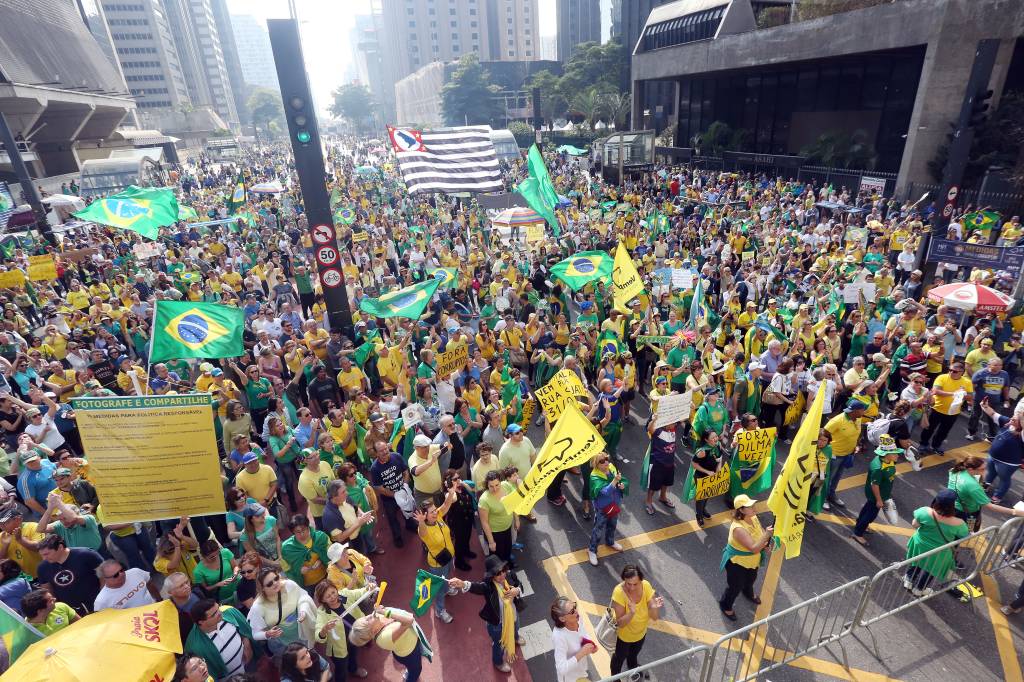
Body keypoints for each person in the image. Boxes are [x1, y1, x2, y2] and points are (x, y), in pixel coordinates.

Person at [449, 555, 526, 674]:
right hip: (497, 623)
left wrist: (517, 590)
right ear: (492, 576)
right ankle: (498, 662)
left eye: (503, 570)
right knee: (499, 645)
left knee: (516, 627)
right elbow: (476, 587)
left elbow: (520, 585)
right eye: (498, 573)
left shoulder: (510, 576)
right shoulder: (488, 587)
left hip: (513, 615)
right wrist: (463, 584)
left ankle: (515, 637)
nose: (502, 575)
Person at [903, 490, 969, 597]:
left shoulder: (924, 511)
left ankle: (909, 580)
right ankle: (920, 589)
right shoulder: (959, 523)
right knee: (931, 570)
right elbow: (964, 536)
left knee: (917, 562)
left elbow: (914, 524)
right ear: (952, 506)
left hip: (920, 545)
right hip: (939, 552)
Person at [719, 494, 773, 622]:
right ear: (741, 510)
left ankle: (748, 592)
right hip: (737, 562)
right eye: (750, 506)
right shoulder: (738, 528)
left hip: (751, 561)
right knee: (735, 586)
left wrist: (765, 544)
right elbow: (754, 548)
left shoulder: (753, 517)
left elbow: (758, 536)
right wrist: (766, 535)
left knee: (751, 579)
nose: (754, 507)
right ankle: (725, 605)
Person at [246, 566, 317, 656]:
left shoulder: (289, 585)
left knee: (310, 658)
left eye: (276, 578)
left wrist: (303, 610)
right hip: (281, 644)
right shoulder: (258, 607)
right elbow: (255, 634)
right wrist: (267, 634)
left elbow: (303, 596)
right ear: (262, 588)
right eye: (269, 584)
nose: (275, 583)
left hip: (301, 633)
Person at [609, 564, 663, 678]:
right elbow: (620, 623)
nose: (632, 587)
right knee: (618, 659)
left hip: (641, 633)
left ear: (641, 580)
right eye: (628, 583)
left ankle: (633, 669)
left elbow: (655, 617)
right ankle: (614, 678)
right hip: (624, 637)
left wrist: (654, 607)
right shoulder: (619, 593)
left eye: (635, 584)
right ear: (624, 580)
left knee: (633, 655)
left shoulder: (646, 586)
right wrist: (631, 613)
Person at [348, 605, 429, 682]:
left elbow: (391, 613)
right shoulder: (384, 638)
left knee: (412, 668)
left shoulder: (377, 621)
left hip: (408, 647)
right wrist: (385, 612)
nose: (369, 616)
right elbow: (409, 620)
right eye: (367, 621)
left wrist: (383, 609)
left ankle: (409, 670)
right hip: (409, 654)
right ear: (372, 631)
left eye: (365, 617)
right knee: (416, 670)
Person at [413, 489, 459, 624]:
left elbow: (445, 505)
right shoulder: (424, 529)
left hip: (449, 556)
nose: (435, 512)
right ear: (424, 515)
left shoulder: (437, 516)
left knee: (448, 575)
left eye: (434, 510)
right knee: (438, 588)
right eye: (432, 512)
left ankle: (447, 588)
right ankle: (440, 611)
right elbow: (421, 532)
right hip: (437, 564)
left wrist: (451, 493)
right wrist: (421, 522)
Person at [313, 579, 372, 681]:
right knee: (341, 667)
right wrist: (324, 630)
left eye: (333, 592)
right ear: (322, 600)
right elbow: (318, 636)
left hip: (354, 636)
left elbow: (359, 593)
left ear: (337, 590)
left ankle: (353, 670)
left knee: (353, 654)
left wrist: (368, 588)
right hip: (338, 646)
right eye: (328, 596)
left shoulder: (344, 595)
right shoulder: (322, 613)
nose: (332, 597)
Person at [184, 598, 257, 680]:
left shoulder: (228, 612)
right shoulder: (194, 645)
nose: (220, 612)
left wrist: (247, 644)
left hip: (249, 667)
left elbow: (244, 629)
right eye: (214, 614)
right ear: (201, 622)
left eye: (218, 608)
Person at [852, 435, 902, 545]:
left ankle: (860, 524)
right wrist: (879, 500)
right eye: (895, 453)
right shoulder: (878, 468)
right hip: (876, 496)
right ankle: (858, 533)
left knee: (867, 509)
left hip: (883, 493)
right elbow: (874, 485)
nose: (898, 455)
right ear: (886, 455)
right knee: (870, 515)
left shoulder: (889, 461)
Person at [35, 533, 103, 615]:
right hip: (72, 611)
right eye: (42, 555)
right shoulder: (42, 567)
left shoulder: (87, 555)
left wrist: (102, 597)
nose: (44, 558)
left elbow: (105, 576)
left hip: (98, 604)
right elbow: (47, 590)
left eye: (47, 554)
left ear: (60, 547)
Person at [919, 362, 973, 455]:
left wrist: (963, 394)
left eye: (955, 371)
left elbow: (970, 396)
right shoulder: (942, 377)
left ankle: (936, 445)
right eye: (950, 370)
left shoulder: (967, 382)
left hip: (953, 412)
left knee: (944, 431)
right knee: (929, 428)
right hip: (937, 408)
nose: (951, 372)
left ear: (962, 372)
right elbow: (936, 391)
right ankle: (923, 444)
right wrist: (954, 393)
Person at [823, 400, 867, 510]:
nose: (864, 411)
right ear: (856, 411)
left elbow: (857, 433)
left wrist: (856, 445)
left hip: (848, 454)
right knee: (827, 477)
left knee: (837, 477)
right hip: (835, 455)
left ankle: (831, 495)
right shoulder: (837, 421)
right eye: (862, 410)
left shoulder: (857, 418)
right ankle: (822, 499)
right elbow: (825, 433)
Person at [978, 399, 1024, 504]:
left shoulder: (1022, 434)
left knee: (1004, 479)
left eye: (1016, 418)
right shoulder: (1007, 421)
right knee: (990, 472)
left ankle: (998, 496)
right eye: (1013, 416)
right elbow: (993, 413)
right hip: (993, 456)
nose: (1012, 418)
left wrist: (1021, 414)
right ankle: (986, 484)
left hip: (1008, 463)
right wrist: (984, 406)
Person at [587, 453, 627, 566]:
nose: (606, 462)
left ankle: (610, 542)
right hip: (603, 508)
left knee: (612, 525)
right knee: (598, 528)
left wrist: (623, 484)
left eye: (606, 459)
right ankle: (592, 550)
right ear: (596, 464)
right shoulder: (594, 476)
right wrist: (615, 481)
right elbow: (605, 492)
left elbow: (623, 480)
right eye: (601, 461)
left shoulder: (612, 468)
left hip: (615, 504)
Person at [550, 595, 596, 682]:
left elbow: (583, 634)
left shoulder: (577, 619)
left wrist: (590, 644)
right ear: (562, 619)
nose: (576, 612)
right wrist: (582, 653)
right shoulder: (559, 636)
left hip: (581, 671)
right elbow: (561, 668)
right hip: (569, 678)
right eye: (572, 611)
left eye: (574, 606)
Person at [281, 515, 330, 594]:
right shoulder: (287, 548)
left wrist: (321, 560)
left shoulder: (320, 537)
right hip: (307, 584)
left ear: (308, 527)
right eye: (298, 532)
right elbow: (287, 569)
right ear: (293, 532)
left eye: (304, 530)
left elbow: (330, 553)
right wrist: (299, 570)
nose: (302, 534)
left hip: (326, 575)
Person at [478, 470, 516, 565]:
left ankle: (507, 563)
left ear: (500, 481)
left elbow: (513, 502)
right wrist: (491, 542)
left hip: (507, 527)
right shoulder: (484, 500)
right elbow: (484, 522)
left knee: (507, 547)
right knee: (497, 555)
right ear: (487, 485)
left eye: (497, 485)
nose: (495, 489)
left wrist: (517, 519)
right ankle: (499, 572)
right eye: (491, 486)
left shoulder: (506, 486)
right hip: (495, 533)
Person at [690, 430, 724, 528]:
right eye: (712, 438)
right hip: (701, 476)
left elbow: (720, 458)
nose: (715, 439)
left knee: (708, 493)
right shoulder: (702, 452)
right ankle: (699, 515)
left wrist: (719, 468)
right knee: (701, 497)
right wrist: (707, 472)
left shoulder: (718, 445)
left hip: (712, 475)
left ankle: (703, 510)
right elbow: (694, 464)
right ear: (706, 440)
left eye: (716, 436)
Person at [93, 558, 158, 611]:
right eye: (116, 575)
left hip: (155, 608)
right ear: (104, 579)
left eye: (121, 570)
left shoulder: (135, 572)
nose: (121, 574)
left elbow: (150, 584)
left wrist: (159, 600)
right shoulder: (101, 601)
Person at [644, 419, 678, 516]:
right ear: (666, 423)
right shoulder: (658, 431)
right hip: (657, 464)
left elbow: (683, 417)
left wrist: (690, 407)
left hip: (670, 463)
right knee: (653, 486)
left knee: (666, 482)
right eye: (673, 422)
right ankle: (649, 502)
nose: (675, 424)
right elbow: (649, 428)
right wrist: (654, 419)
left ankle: (663, 497)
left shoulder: (673, 429)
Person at [192, 539, 239, 603]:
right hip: (222, 597)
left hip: (238, 587)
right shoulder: (198, 571)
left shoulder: (225, 552)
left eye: (218, 553)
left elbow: (235, 566)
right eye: (212, 557)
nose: (216, 557)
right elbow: (205, 589)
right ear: (203, 556)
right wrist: (217, 585)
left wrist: (235, 574)